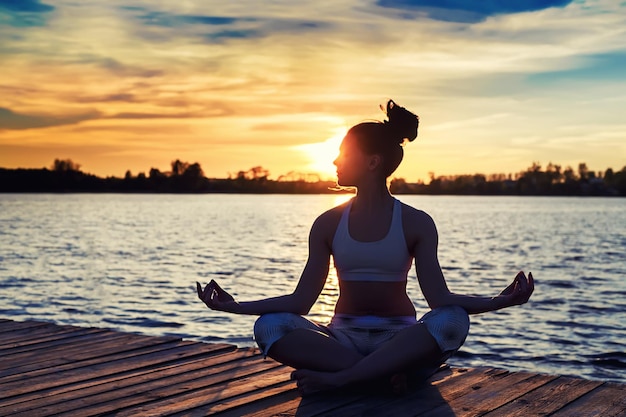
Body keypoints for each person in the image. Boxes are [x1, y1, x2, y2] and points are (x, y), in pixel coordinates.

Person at [197, 100, 534, 395]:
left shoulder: (416, 222)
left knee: (452, 320)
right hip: (341, 339)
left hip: (400, 340)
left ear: (372, 163)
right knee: (269, 326)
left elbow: (440, 302)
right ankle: (385, 375)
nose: (334, 161)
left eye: (344, 154)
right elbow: (300, 302)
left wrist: (501, 301)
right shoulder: (327, 224)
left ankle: (345, 380)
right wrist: (235, 307)